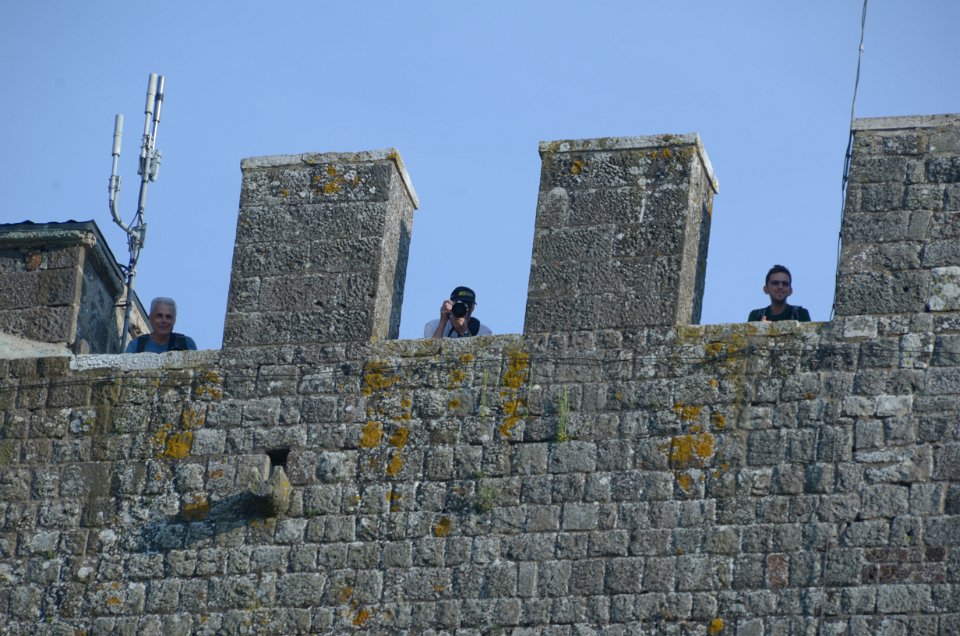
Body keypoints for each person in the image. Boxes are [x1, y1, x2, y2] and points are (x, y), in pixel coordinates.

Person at [125, 297, 197, 352]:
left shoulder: (186, 344)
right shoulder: (136, 346)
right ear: (150, 318)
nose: (164, 320)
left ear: (174, 321)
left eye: (168, 317)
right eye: (159, 316)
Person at [424, 286, 493, 339]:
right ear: (450, 305)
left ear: (473, 307)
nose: (466, 309)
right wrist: (442, 322)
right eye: (460, 304)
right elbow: (431, 352)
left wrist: (464, 331)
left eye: (469, 305)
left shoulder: (484, 332)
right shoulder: (433, 326)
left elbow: (476, 354)